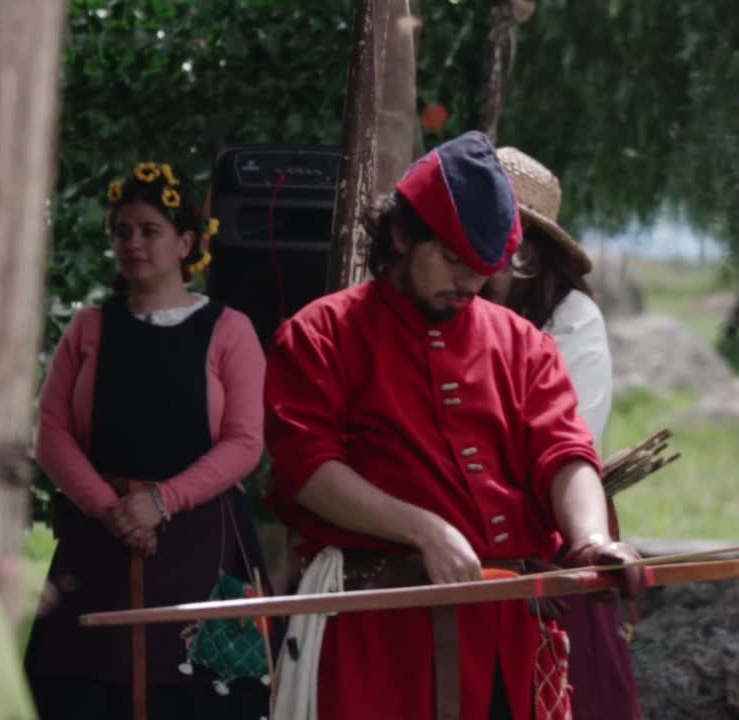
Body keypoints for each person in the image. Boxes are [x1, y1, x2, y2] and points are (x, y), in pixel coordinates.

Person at [263, 130, 645, 720]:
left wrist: (590, 539)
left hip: (507, 638)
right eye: (451, 258)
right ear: (401, 234)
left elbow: (565, 453)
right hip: (378, 633)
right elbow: (307, 468)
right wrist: (424, 530)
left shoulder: (523, 344)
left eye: (482, 267)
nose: (469, 281)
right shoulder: (321, 334)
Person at [24, 162, 274, 719]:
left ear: (186, 242)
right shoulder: (88, 329)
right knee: (83, 692)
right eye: (123, 231)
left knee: (200, 697)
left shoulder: (230, 330)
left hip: (203, 548)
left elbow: (243, 442)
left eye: (150, 230)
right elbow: (53, 433)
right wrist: (112, 509)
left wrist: (161, 501)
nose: (134, 243)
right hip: (99, 549)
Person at [482, 147, 641, 720]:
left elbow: (567, 438)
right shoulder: (453, 303)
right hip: (463, 541)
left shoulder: (572, 318)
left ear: (530, 248)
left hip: (554, 527)